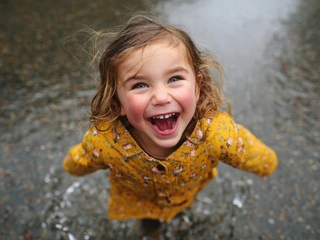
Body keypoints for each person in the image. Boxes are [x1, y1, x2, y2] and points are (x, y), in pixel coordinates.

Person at [63, 15, 278, 238]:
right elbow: (84, 156)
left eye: (174, 79)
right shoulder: (106, 140)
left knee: (186, 210)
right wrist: (72, 167)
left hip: (188, 191)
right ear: (118, 104)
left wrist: (266, 165)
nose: (161, 97)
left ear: (197, 87)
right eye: (140, 85)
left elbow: (246, 148)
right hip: (140, 201)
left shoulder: (215, 134)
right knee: (149, 225)